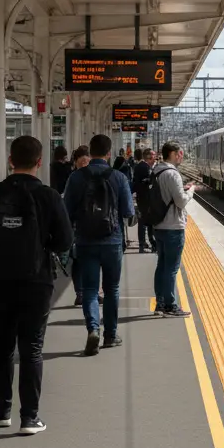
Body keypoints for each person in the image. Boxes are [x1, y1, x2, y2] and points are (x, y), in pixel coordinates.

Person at [0, 135, 73, 435]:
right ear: (40, 162)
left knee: (2, 347)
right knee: (32, 348)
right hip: (37, 281)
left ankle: (2, 413)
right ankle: (30, 418)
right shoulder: (50, 197)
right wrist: (43, 244)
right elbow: (65, 240)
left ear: (10, 160)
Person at [63, 134, 134, 354]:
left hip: (85, 241)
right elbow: (128, 212)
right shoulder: (118, 177)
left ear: (89, 152)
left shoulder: (76, 177)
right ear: (109, 153)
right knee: (112, 288)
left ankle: (93, 329)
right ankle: (111, 335)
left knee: (91, 290)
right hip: (112, 241)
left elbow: (66, 211)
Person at [149, 141, 195, 317]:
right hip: (173, 227)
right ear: (174, 154)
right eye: (180, 153)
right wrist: (190, 191)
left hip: (159, 225)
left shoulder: (157, 170)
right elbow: (181, 201)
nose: (182, 156)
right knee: (171, 268)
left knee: (161, 265)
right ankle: (170, 305)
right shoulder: (173, 174)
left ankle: (160, 303)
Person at [67, 145, 92, 307]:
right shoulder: (73, 178)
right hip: (78, 226)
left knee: (89, 261)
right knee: (78, 260)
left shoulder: (94, 177)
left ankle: (91, 292)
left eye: (86, 161)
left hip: (92, 225)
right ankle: (80, 293)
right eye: (81, 161)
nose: (84, 165)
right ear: (75, 162)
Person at [132, 147, 158, 253]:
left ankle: (143, 244)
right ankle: (150, 243)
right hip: (146, 199)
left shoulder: (140, 166)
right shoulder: (145, 167)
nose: (155, 158)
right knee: (147, 222)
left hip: (141, 198)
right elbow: (146, 183)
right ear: (148, 157)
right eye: (153, 156)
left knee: (143, 222)